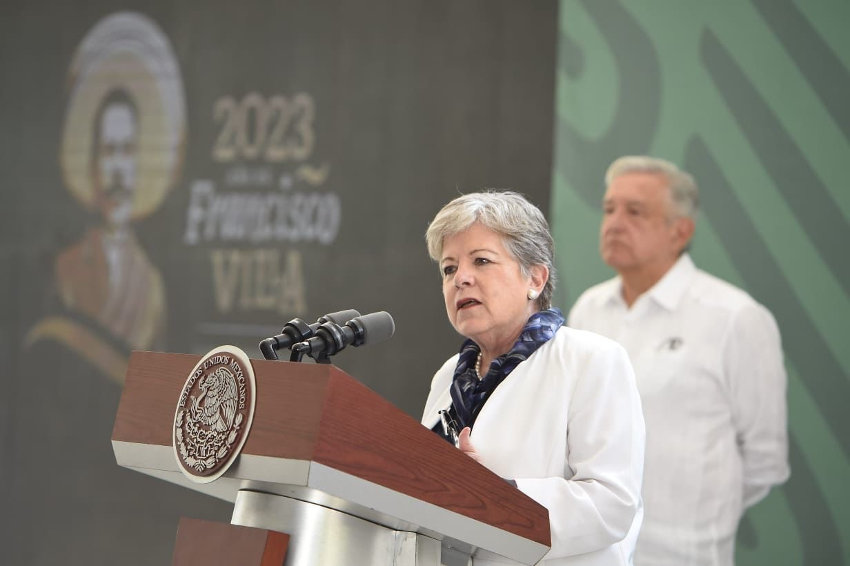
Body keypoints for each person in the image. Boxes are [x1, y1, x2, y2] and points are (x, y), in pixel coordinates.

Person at [568, 156, 789, 566]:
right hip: (593, 554)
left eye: (635, 211)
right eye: (609, 209)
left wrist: (697, 518)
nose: (615, 222)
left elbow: (765, 460)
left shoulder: (735, 317)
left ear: (680, 230)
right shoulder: (589, 309)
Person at [421, 190, 645, 566]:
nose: (461, 279)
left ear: (536, 279)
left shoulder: (592, 360)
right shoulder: (447, 377)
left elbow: (612, 503)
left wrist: (494, 496)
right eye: (449, 268)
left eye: (481, 261)